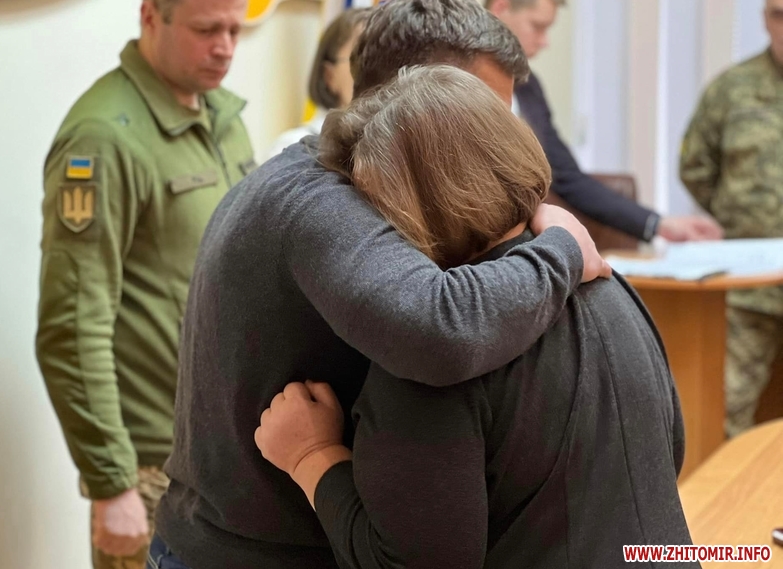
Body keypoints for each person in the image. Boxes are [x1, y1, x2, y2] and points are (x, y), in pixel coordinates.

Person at [149, 0, 612, 567]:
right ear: (416, 94)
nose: (499, 146)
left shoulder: (358, 181)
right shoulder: (320, 199)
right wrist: (562, 249)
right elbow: (441, 330)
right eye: (482, 116)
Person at [256, 64, 695, 569]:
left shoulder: (434, 361)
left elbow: (413, 563)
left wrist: (312, 457)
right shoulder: (610, 284)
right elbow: (670, 452)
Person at [35, 0, 254, 566]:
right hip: (154, 471)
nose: (225, 47)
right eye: (206, 29)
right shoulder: (103, 137)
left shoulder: (223, 118)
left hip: (227, 456)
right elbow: (72, 326)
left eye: (235, 29)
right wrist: (111, 483)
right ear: (151, 16)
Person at [487, 0, 723, 243]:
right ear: (501, 8)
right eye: (537, 26)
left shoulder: (529, 87)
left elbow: (568, 177)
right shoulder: (461, 87)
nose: (545, 41)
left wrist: (658, 224)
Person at [680, 0, 783, 437]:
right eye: (779, 14)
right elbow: (696, 168)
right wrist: (743, 219)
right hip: (749, 286)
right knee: (719, 415)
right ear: (765, 19)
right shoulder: (732, 89)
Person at [265, 9, 368, 160]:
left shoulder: (397, 148)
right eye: (363, 58)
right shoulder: (293, 149)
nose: (377, 69)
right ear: (329, 75)